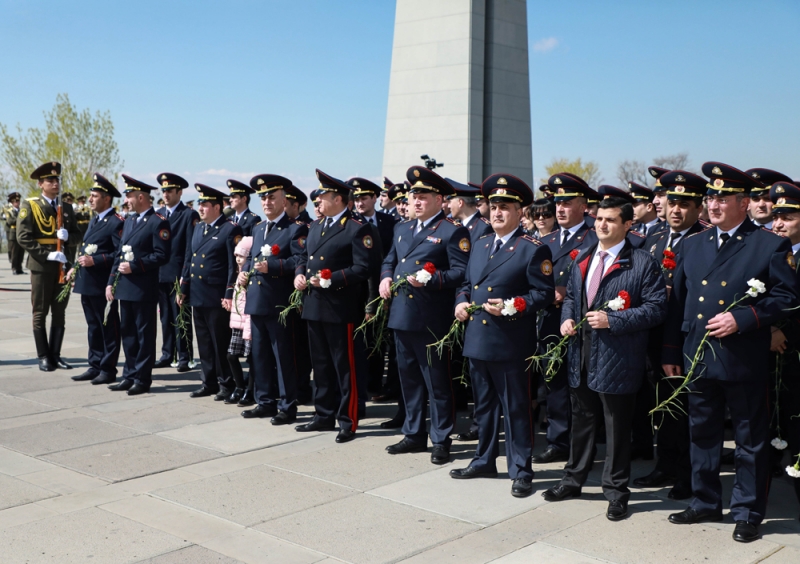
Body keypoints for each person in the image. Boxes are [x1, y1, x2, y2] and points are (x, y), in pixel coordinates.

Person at [662, 162, 797, 543]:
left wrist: (746, 318)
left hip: (743, 355)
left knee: (749, 438)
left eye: (723, 198)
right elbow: (679, 305)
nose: (714, 205)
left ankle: (748, 511)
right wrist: (672, 350)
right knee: (701, 432)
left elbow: (787, 298)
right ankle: (704, 500)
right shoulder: (693, 243)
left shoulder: (769, 243)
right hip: (699, 354)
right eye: (711, 198)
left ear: (743, 202)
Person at [542, 196, 667, 521]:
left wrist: (615, 320)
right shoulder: (583, 257)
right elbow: (571, 296)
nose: (602, 225)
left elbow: (656, 308)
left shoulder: (640, 262)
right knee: (581, 422)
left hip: (617, 358)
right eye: (599, 219)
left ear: (628, 225)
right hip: (580, 356)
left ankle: (616, 492)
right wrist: (566, 318)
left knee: (616, 428)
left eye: (611, 220)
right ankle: (573, 480)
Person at [449, 173, 554, 497]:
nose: (497, 213)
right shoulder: (480, 245)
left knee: (517, 408)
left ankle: (521, 469)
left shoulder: (532, 249)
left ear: (520, 212)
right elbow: (466, 284)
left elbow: (544, 294)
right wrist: (461, 302)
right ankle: (484, 459)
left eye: (505, 207)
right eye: (493, 206)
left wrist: (511, 305)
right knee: (483, 407)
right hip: (478, 340)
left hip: (510, 343)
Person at [380, 166, 470, 464]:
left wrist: (433, 280)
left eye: (422, 196)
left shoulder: (451, 230)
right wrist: (385, 277)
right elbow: (390, 259)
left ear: (439, 199)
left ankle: (441, 438)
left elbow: (461, 272)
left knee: (437, 383)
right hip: (402, 315)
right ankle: (414, 434)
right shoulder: (402, 228)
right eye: (413, 196)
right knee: (409, 381)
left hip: (432, 318)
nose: (415, 201)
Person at [633, 170, 708, 500]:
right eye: (671, 202)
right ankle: (665, 462)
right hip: (653, 334)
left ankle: (687, 473)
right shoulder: (653, 237)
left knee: (688, 409)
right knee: (662, 404)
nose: (675, 210)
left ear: (697, 207)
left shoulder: (704, 240)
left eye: (684, 204)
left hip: (685, 337)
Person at [293, 169, 372, 443]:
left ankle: (348, 421)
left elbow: (364, 267)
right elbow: (304, 256)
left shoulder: (357, 227)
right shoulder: (316, 225)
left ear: (338, 199)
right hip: (314, 305)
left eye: (323, 195)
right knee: (322, 364)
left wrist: (331, 279)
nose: (318, 200)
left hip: (341, 306)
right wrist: (300, 273)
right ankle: (323, 414)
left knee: (344, 367)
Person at [534, 173, 598, 464]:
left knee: (584, 386)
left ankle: (586, 443)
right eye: (557, 202)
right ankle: (558, 440)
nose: (559, 208)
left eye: (567, 203)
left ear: (584, 205)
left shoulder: (595, 236)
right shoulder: (545, 240)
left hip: (587, 323)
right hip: (552, 320)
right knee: (555, 381)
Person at [238, 174, 308, 422]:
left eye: (271, 197)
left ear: (283, 200)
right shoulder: (258, 229)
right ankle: (265, 401)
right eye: (263, 197)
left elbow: (300, 261)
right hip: (257, 301)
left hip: (279, 304)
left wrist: (275, 267)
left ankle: (288, 407)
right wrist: (244, 273)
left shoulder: (294, 228)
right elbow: (253, 259)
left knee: (284, 357)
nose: (266, 202)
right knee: (260, 356)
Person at [106, 175, 171, 394]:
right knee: (129, 333)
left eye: (130, 196)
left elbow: (162, 255)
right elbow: (118, 254)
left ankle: (142, 379)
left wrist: (136, 266)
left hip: (143, 288)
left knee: (144, 335)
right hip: (125, 287)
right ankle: (129, 374)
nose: (128, 201)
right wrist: (111, 282)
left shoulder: (158, 222)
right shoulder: (130, 221)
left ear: (141, 197)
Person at [16, 162, 81, 371]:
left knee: (59, 312)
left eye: (57, 180)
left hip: (62, 266)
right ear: (40, 184)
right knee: (40, 312)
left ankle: (56, 355)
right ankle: (43, 355)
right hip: (42, 265)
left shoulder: (67, 207)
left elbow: (79, 235)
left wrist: (68, 236)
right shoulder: (30, 205)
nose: (55, 183)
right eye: (50, 181)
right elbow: (23, 237)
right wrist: (47, 254)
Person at [180, 184, 242, 401]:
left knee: (220, 342)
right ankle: (208, 382)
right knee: (204, 342)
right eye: (200, 204)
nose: (201, 208)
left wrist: (228, 293)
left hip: (216, 297)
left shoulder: (230, 229)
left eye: (205, 204)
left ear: (217, 207)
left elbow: (232, 266)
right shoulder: (198, 228)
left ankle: (226, 383)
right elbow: (190, 258)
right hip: (198, 294)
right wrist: (183, 288)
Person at [70, 174, 124, 385]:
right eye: (90, 196)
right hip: (88, 282)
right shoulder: (95, 220)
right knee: (93, 326)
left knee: (108, 326)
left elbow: (119, 253)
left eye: (94, 196)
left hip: (103, 283)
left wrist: (96, 260)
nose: (90, 199)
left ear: (107, 199)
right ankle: (94, 364)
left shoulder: (116, 222)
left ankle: (108, 368)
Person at [769, 180, 800, 519]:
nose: (778, 224)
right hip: (771, 361)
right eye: (776, 216)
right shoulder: (771, 254)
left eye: (787, 217)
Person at [154, 173, 199, 372]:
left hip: (178, 273)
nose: (166, 194)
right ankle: (167, 353)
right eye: (163, 191)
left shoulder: (189, 215)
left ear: (179, 193)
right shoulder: (158, 214)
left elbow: (190, 248)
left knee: (181, 317)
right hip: (160, 274)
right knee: (165, 317)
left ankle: (184, 356)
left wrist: (185, 276)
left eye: (169, 191)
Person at [284, 184, 313, 405]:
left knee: (299, 349)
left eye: (287, 204)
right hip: (284, 293)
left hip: (298, 295)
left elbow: (301, 259)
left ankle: (302, 389)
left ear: (297, 205)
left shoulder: (302, 227)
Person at [227, 236, 253, 405]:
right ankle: (239, 386)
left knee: (252, 359)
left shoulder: (249, 275)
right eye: (237, 255)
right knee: (231, 355)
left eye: (242, 256)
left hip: (249, 324)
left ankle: (250, 390)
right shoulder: (238, 273)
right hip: (238, 323)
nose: (238, 259)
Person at [4, 192, 24, 274]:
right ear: (12, 203)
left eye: (18, 201)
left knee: (21, 252)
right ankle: (14, 268)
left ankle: (19, 268)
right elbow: (10, 221)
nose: (17, 203)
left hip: (21, 232)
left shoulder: (22, 210)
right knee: (14, 252)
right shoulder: (9, 211)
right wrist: (20, 220)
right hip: (13, 233)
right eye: (15, 201)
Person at [647, 166, 670, 238]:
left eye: (661, 195)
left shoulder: (700, 233)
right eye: (655, 195)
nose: (654, 201)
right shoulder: (653, 231)